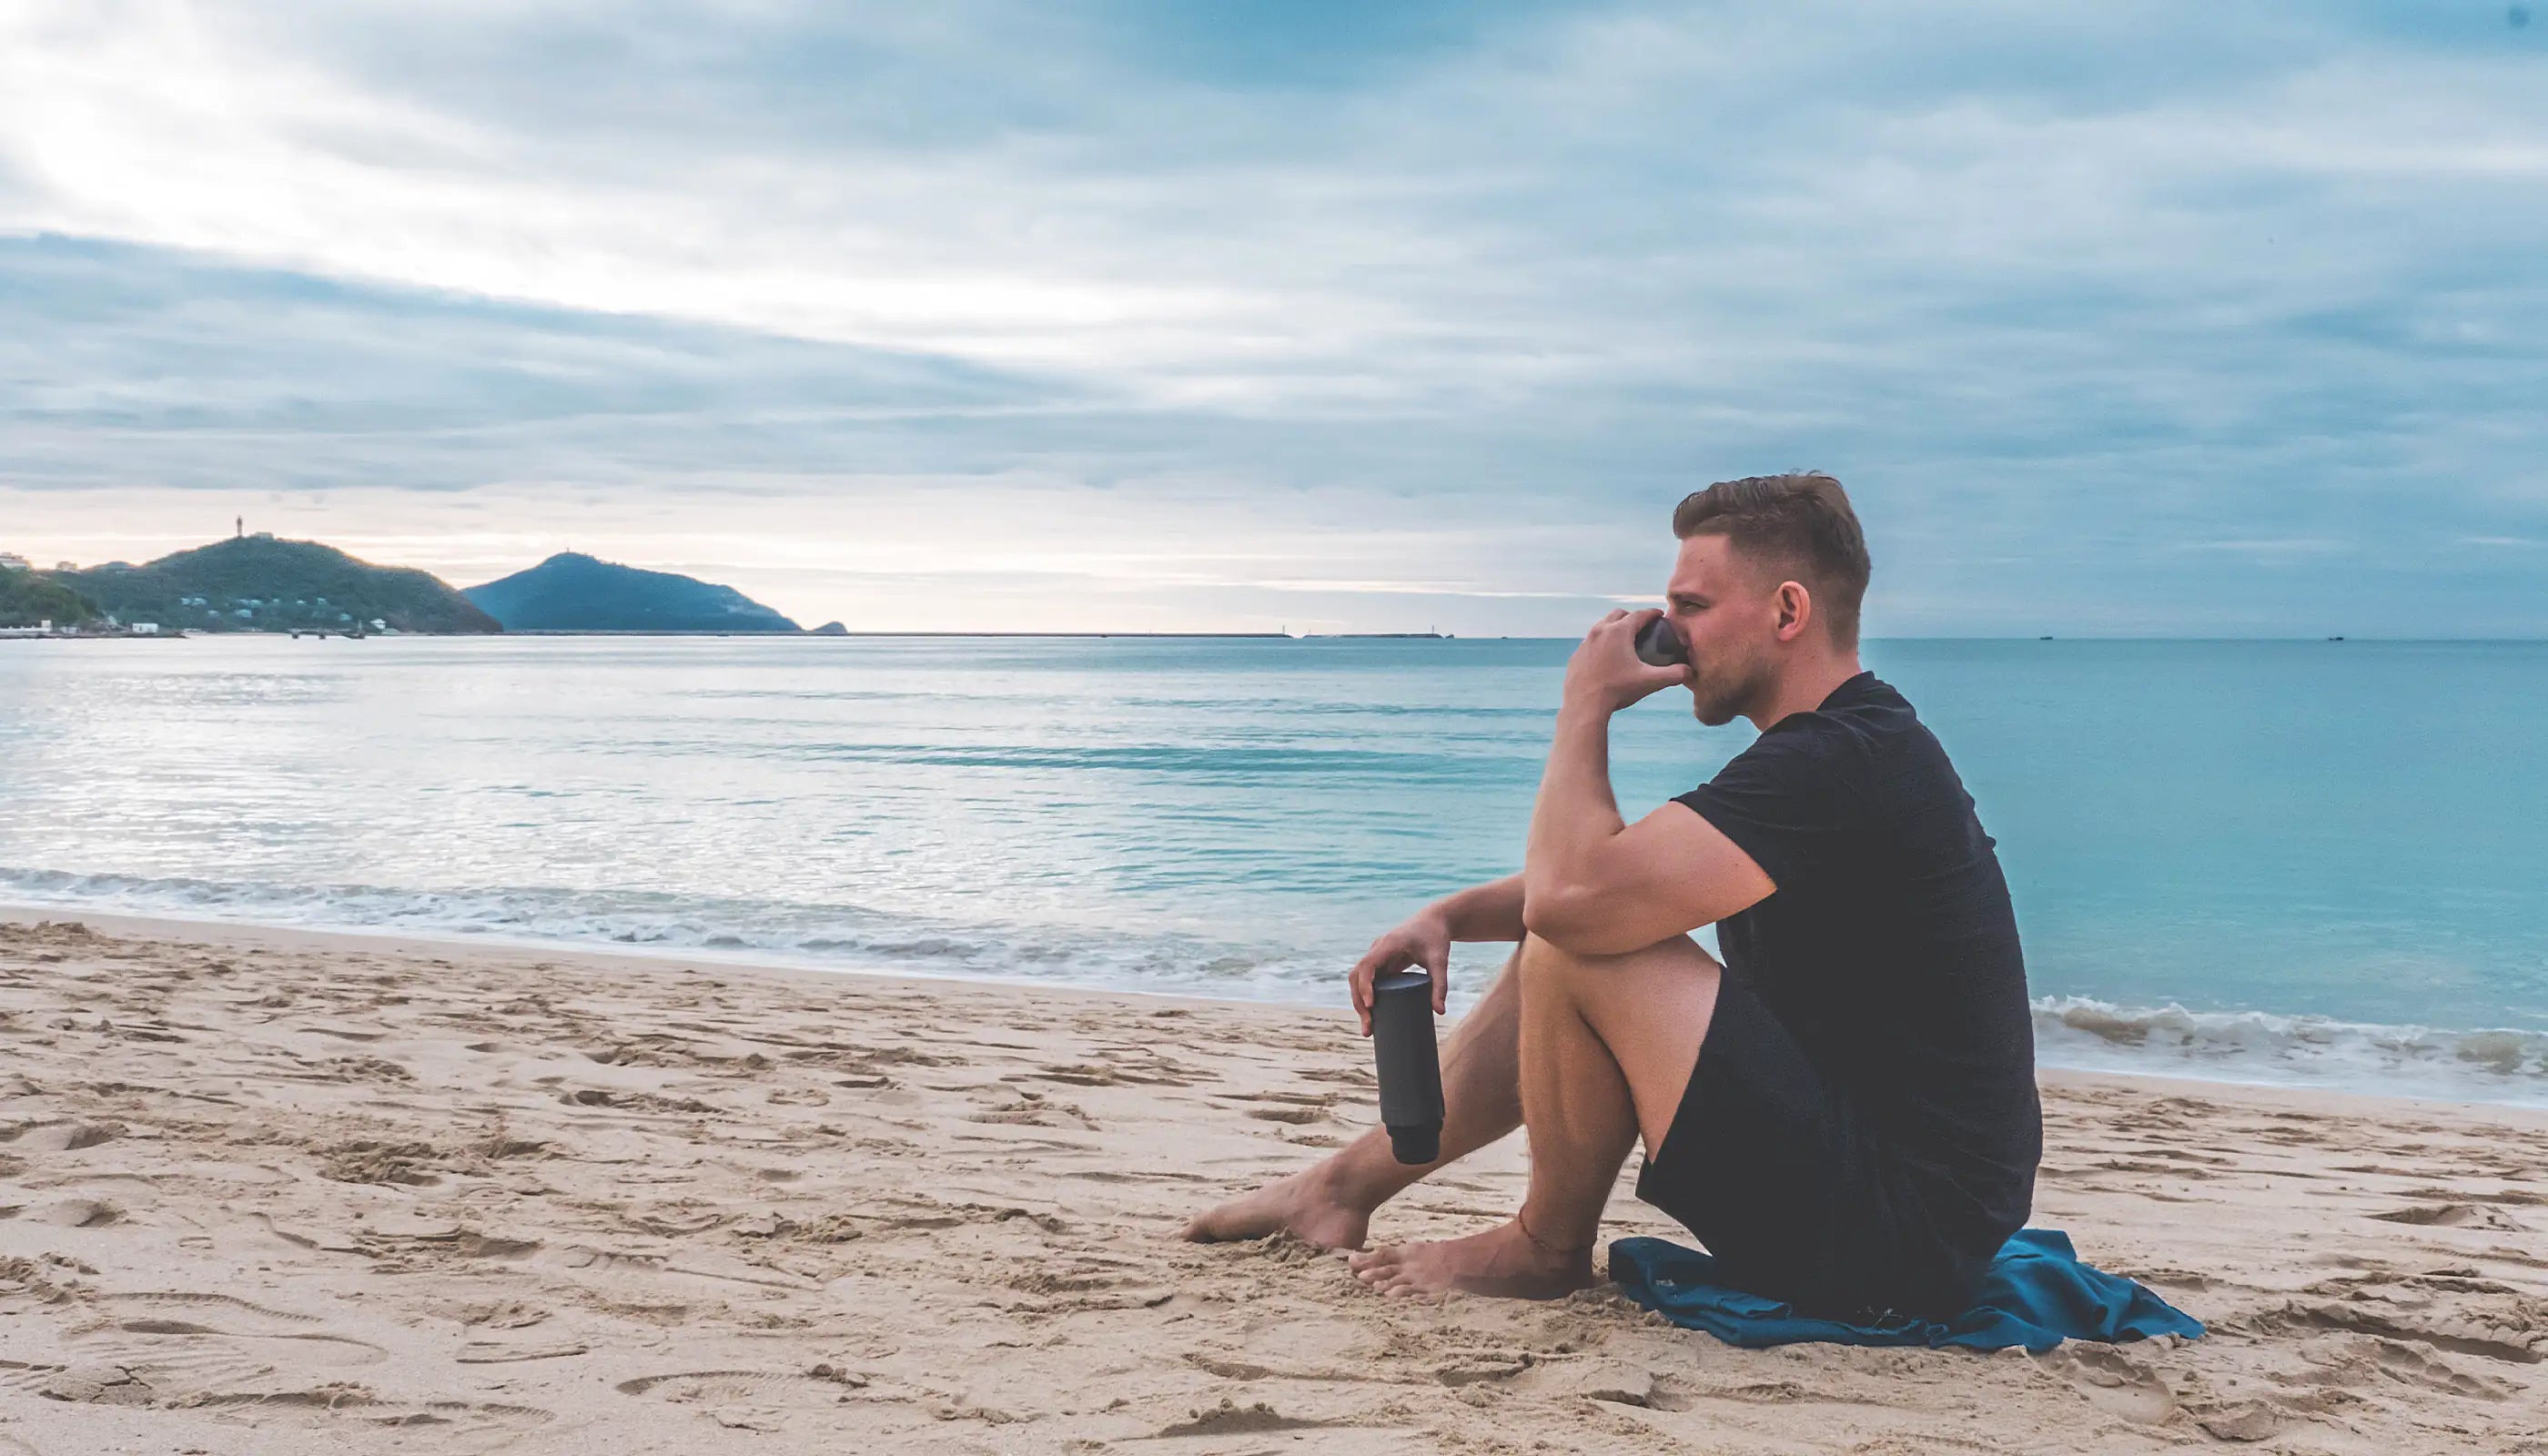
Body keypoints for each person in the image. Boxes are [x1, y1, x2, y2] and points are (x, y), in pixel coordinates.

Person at [1182, 472, 2040, 1319]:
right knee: (1579, 921)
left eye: (1692, 606)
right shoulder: (1842, 749)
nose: (1669, 631)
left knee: (1576, 935)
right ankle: (1336, 1189)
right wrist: (1446, 915)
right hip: (1895, 1220)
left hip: (1895, 1244)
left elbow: (1573, 901)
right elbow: (1623, 877)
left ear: (1788, 612)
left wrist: (1583, 707)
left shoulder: (1838, 760)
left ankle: (1543, 1248)